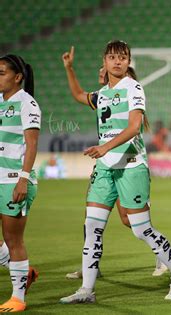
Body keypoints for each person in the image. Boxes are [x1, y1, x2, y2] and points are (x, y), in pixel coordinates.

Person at [60, 40, 171, 304]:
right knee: (92, 225)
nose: (117, 61)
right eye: (112, 57)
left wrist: (104, 146)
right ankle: (87, 290)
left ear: (128, 61)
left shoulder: (134, 88)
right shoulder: (102, 94)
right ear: (104, 61)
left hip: (131, 166)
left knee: (140, 229)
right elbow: (78, 95)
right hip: (105, 168)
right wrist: (69, 69)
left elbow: (134, 127)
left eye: (122, 57)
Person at [0, 54, 40, 312]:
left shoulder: (27, 104)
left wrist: (23, 181)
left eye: (1, 72)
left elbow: (32, 144)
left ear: (18, 77)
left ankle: (18, 298)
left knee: (13, 239)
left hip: (14, 180)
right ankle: (25, 273)